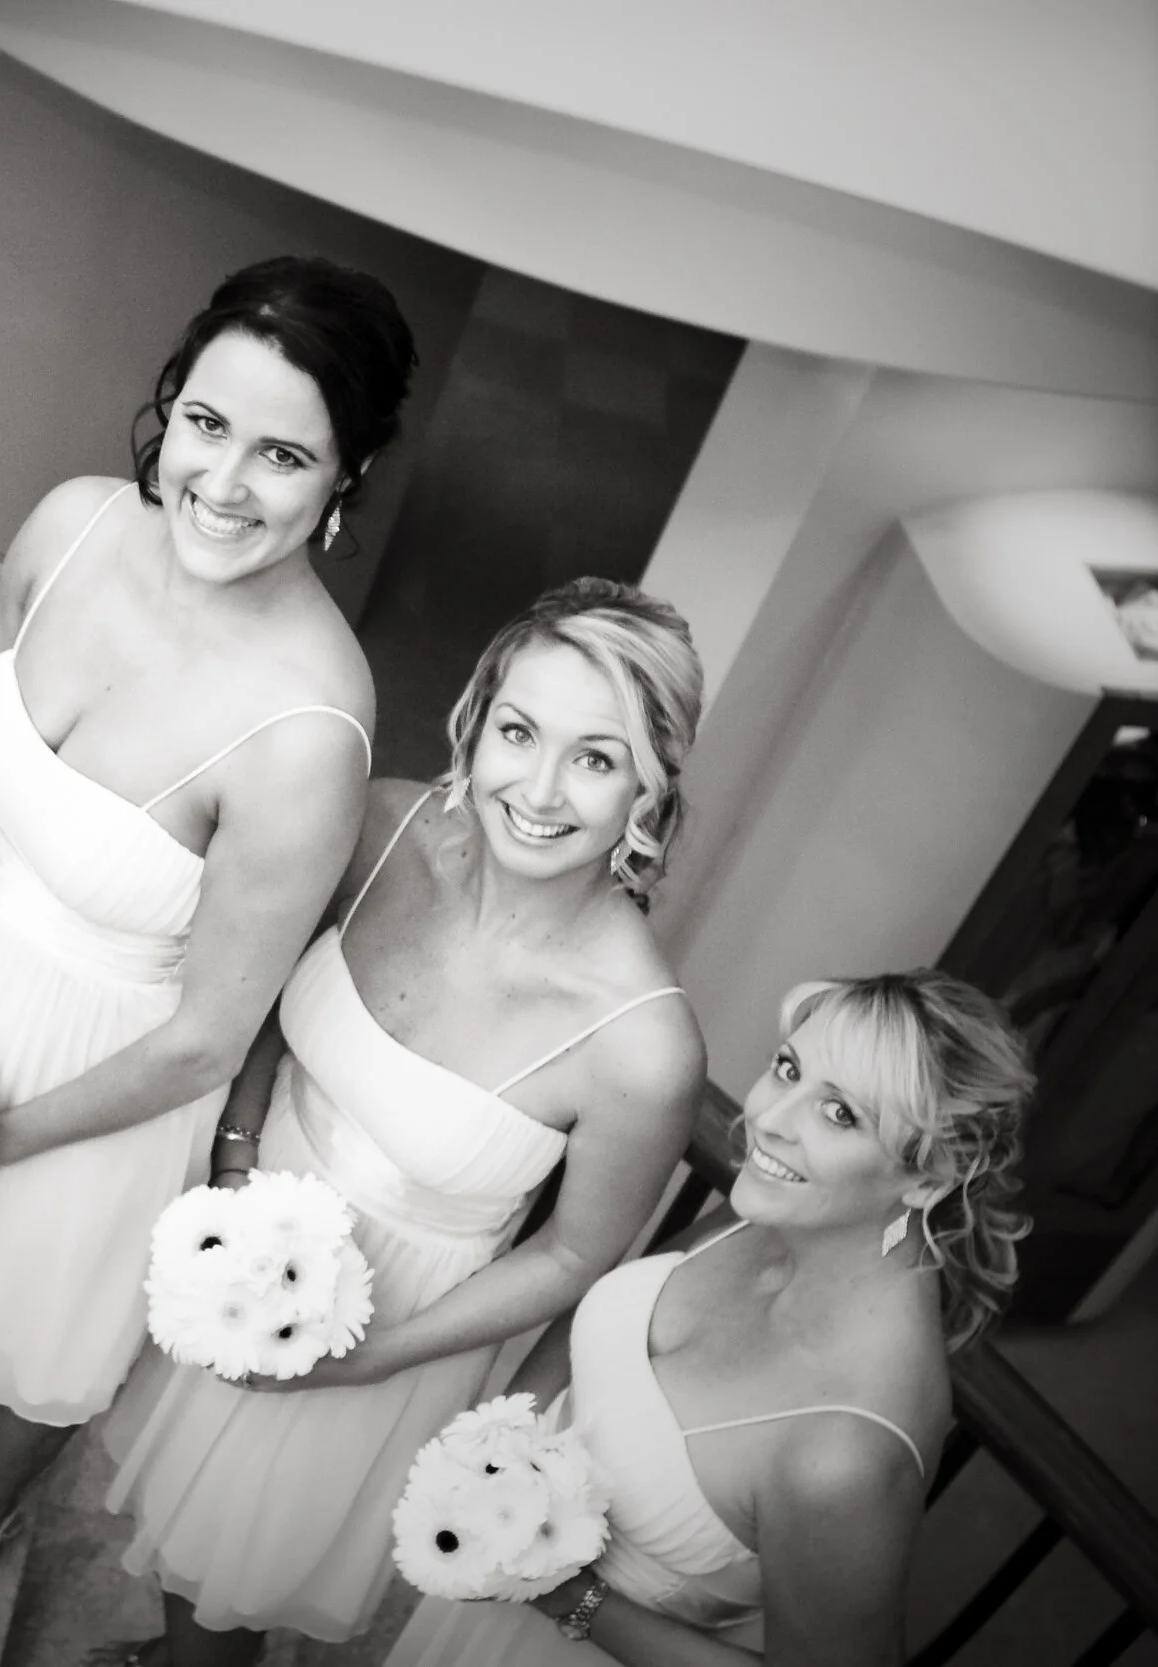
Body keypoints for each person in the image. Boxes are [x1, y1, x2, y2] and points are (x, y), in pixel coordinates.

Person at [0, 256, 416, 1605]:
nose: (222, 481)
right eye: (206, 423)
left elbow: (209, 1039)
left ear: (345, 479)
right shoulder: (72, 524)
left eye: (283, 454)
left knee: (44, 1319)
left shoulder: (310, 730)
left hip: (100, 1085)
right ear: (169, 404)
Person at [97, 579, 711, 1664]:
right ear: (475, 722)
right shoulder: (382, 827)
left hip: (392, 1328)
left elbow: (574, 1253)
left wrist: (365, 1360)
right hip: (240, 1231)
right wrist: (236, 1157)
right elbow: (276, 1008)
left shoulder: (643, 1048)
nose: (540, 788)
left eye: (598, 758)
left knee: (233, 1572)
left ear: (646, 797)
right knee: (173, 1512)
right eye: (519, 731)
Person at [385, 971, 1033, 1666]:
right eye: (788, 1069)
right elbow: (594, 1338)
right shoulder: (772, 1210)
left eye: (841, 1113)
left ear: (932, 1176)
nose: (771, 1118)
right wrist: (501, 1444)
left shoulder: (845, 1454)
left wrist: (563, 1593)